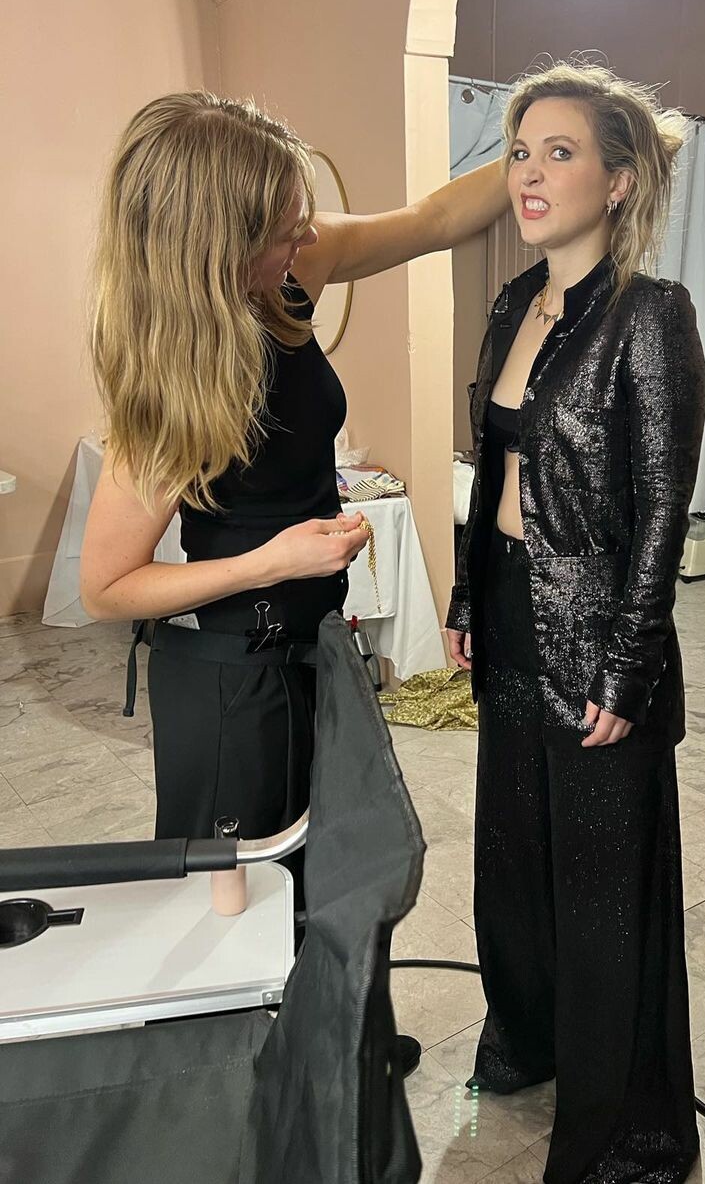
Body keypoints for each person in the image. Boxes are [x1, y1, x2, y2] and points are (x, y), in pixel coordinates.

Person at [80, 92, 508, 1069]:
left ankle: (332, 1056)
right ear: (218, 242)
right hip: (232, 677)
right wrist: (273, 560)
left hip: (309, 644)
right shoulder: (174, 376)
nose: (307, 236)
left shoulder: (290, 279)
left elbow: (434, 218)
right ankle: (239, 1089)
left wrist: (533, 142)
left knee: (323, 866)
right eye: (283, 224)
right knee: (234, 899)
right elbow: (107, 587)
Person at [446, 62, 705, 1184]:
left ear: (618, 180)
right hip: (510, 611)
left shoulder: (651, 314)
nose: (531, 173)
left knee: (605, 896)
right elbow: (492, 467)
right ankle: (531, 1039)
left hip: (599, 630)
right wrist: (468, 596)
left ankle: (622, 1135)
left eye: (561, 152)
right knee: (514, 859)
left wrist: (629, 666)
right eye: (520, 151)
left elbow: (663, 510)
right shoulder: (516, 301)